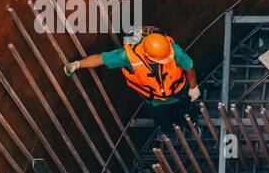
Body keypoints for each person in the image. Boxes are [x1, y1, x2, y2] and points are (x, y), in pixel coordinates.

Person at [63, 26, 200, 134]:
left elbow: (189, 67)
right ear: (147, 55)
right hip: (154, 99)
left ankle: (191, 127)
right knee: (163, 120)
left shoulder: (172, 50)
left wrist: (193, 87)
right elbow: (100, 59)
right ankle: (169, 133)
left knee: (187, 112)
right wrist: (78, 64)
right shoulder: (127, 56)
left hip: (178, 91)